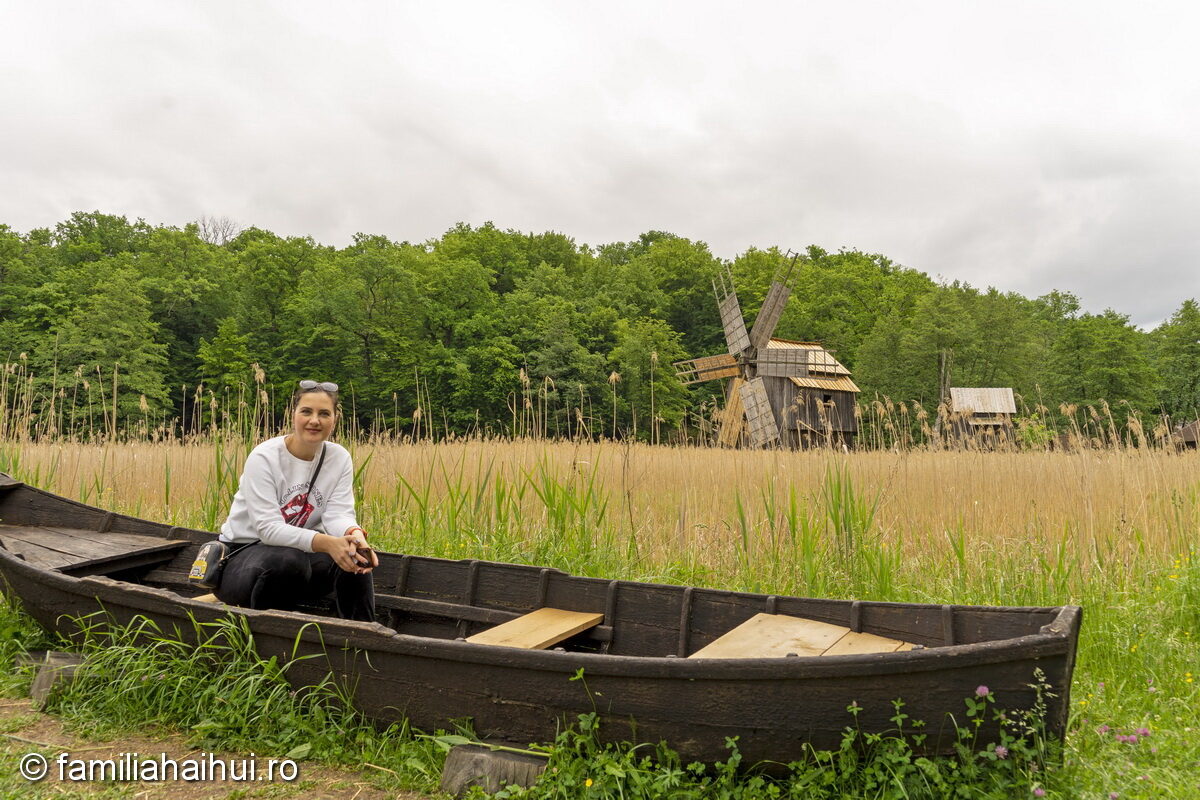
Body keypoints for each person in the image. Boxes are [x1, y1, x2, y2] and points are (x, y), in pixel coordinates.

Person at [214, 380, 378, 621]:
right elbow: (268, 530)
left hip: (299, 564)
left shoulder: (338, 457)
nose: (315, 420)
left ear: (334, 419)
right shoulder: (264, 457)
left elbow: (338, 514)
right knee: (289, 559)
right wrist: (327, 543)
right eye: (306, 412)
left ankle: (362, 639)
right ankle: (268, 639)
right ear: (293, 415)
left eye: (324, 413)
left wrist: (354, 535)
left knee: (355, 556)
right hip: (243, 561)